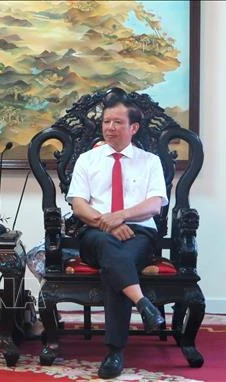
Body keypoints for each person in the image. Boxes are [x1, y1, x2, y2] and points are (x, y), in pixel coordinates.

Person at [66, 96, 167, 379]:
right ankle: (142, 304)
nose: (109, 127)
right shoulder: (88, 160)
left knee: (116, 262)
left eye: (117, 122)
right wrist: (107, 224)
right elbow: (79, 205)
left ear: (133, 127)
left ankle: (115, 351)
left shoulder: (150, 162)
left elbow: (154, 205)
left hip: (140, 233)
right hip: (95, 233)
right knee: (113, 251)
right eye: (106, 122)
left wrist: (120, 216)